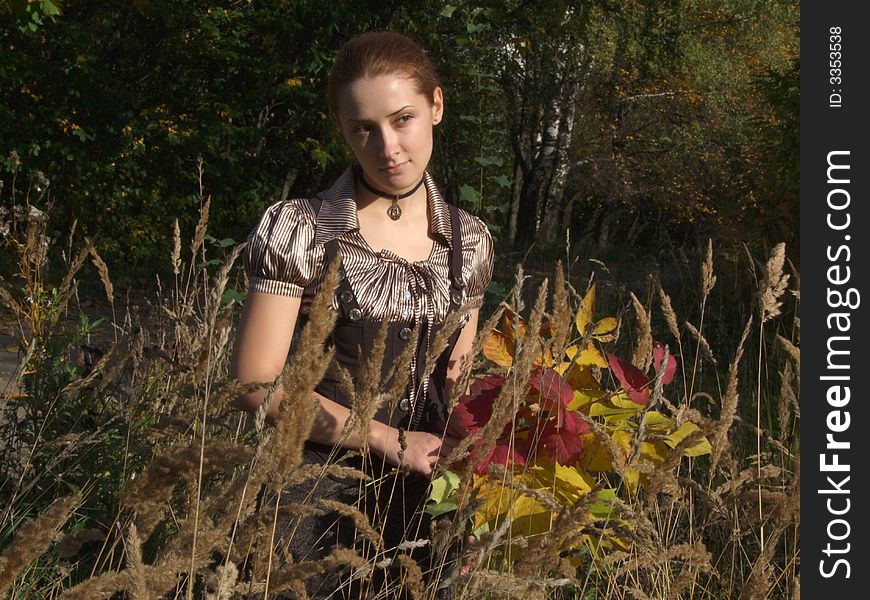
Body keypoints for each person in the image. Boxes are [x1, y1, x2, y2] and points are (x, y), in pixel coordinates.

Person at [230, 31, 494, 598]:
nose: (388, 147)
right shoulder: (299, 230)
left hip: (428, 502)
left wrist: (483, 495)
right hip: (315, 496)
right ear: (343, 130)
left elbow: (461, 388)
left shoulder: (468, 243)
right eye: (363, 129)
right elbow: (256, 386)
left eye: (403, 119)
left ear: (436, 106)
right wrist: (384, 438)